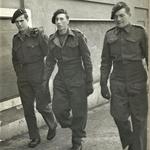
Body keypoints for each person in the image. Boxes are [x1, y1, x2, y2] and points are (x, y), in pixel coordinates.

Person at [43, 9, 93, 150]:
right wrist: (44, 81)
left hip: (77, 77)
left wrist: (89, 81)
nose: (59, 22)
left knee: (79, 111)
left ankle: (77, 141)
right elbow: (49, 62)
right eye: (56, 20)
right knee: (58, 109)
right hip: (61, 79)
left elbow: (87, 60)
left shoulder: (78, 37)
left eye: (61, 19)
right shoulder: (52, 39)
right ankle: (76, 127)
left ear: (68, 20)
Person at [100, 2, 148, 150]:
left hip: (137, 80)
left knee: (139, 121)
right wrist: (103, 83)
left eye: (122, 15)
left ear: (129, 15)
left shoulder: (140, 32)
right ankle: (131, 143)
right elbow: (105, 61)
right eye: (116, 16)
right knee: (118, 115)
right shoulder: (109, 35)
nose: (118, 19)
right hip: (118, 82)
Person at [11, 9, 57, 148]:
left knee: (42, 105)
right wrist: (19, 73)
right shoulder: (15, 39)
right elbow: (14, 59)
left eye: (21, 21)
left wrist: (45, 75)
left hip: (38, 74)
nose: (19, 24)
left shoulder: (38, 35)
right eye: (17, 22)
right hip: (23, 77)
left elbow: (50, 55)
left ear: (27, 20)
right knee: (28, 109)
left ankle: (52, 124)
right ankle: (34, 137)